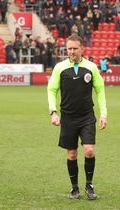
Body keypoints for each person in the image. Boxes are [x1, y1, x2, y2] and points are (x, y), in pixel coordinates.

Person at [47, 34, 107, 200]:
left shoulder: (91, 67)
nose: (71, 51)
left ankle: (89, 185)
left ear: (82, 49)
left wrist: (103, 114)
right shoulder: (60, 67)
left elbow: (100, 90)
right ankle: (74, 188)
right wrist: (53, 112)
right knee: (72, 154)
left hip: (87, 116)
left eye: (75, 48)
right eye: (69, 49)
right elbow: (51, 90)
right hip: (68, 117)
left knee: (89, 150)